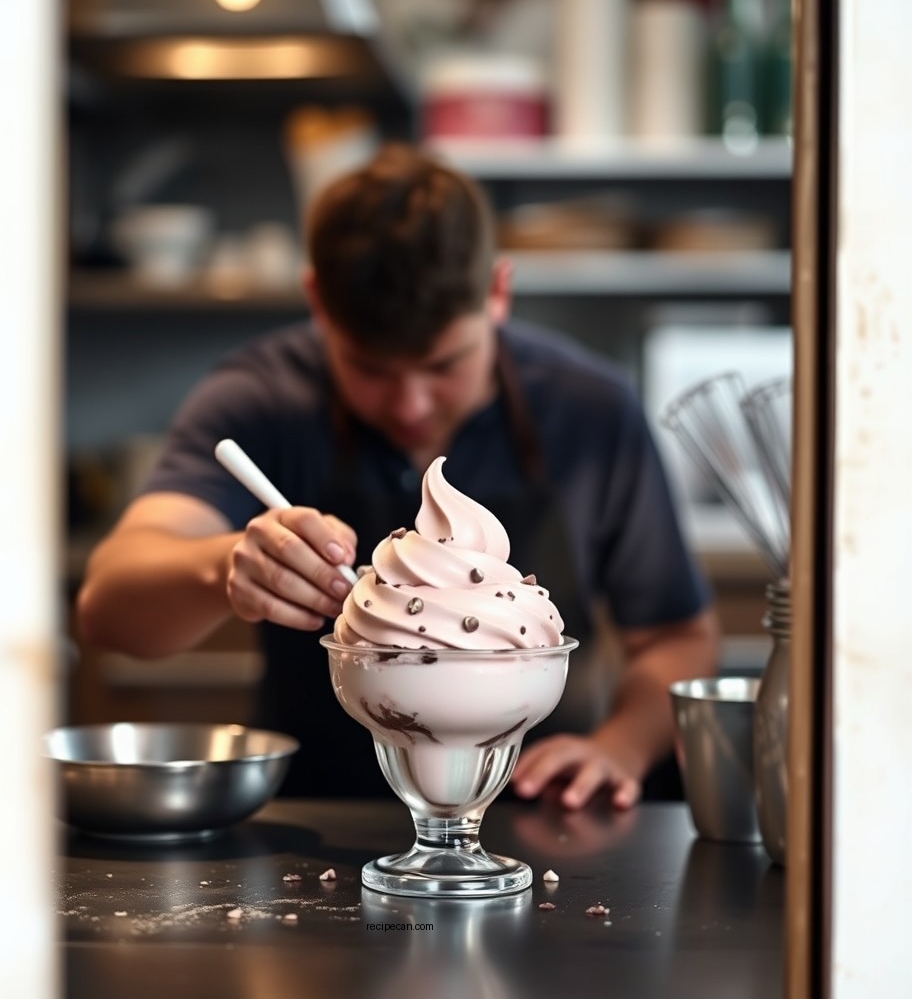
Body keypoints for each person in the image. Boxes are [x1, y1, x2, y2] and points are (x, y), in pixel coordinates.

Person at [77, 143, 718, 809]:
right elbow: (108, 607)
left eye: (444, 365)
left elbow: (676, 638)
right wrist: (225, 565)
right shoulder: (261, 400)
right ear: (317, 302)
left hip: (539, 812)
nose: (411, 405)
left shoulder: (589, 411)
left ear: (498, 293)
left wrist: (619, 747)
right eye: (372, 370)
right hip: (318, 818)